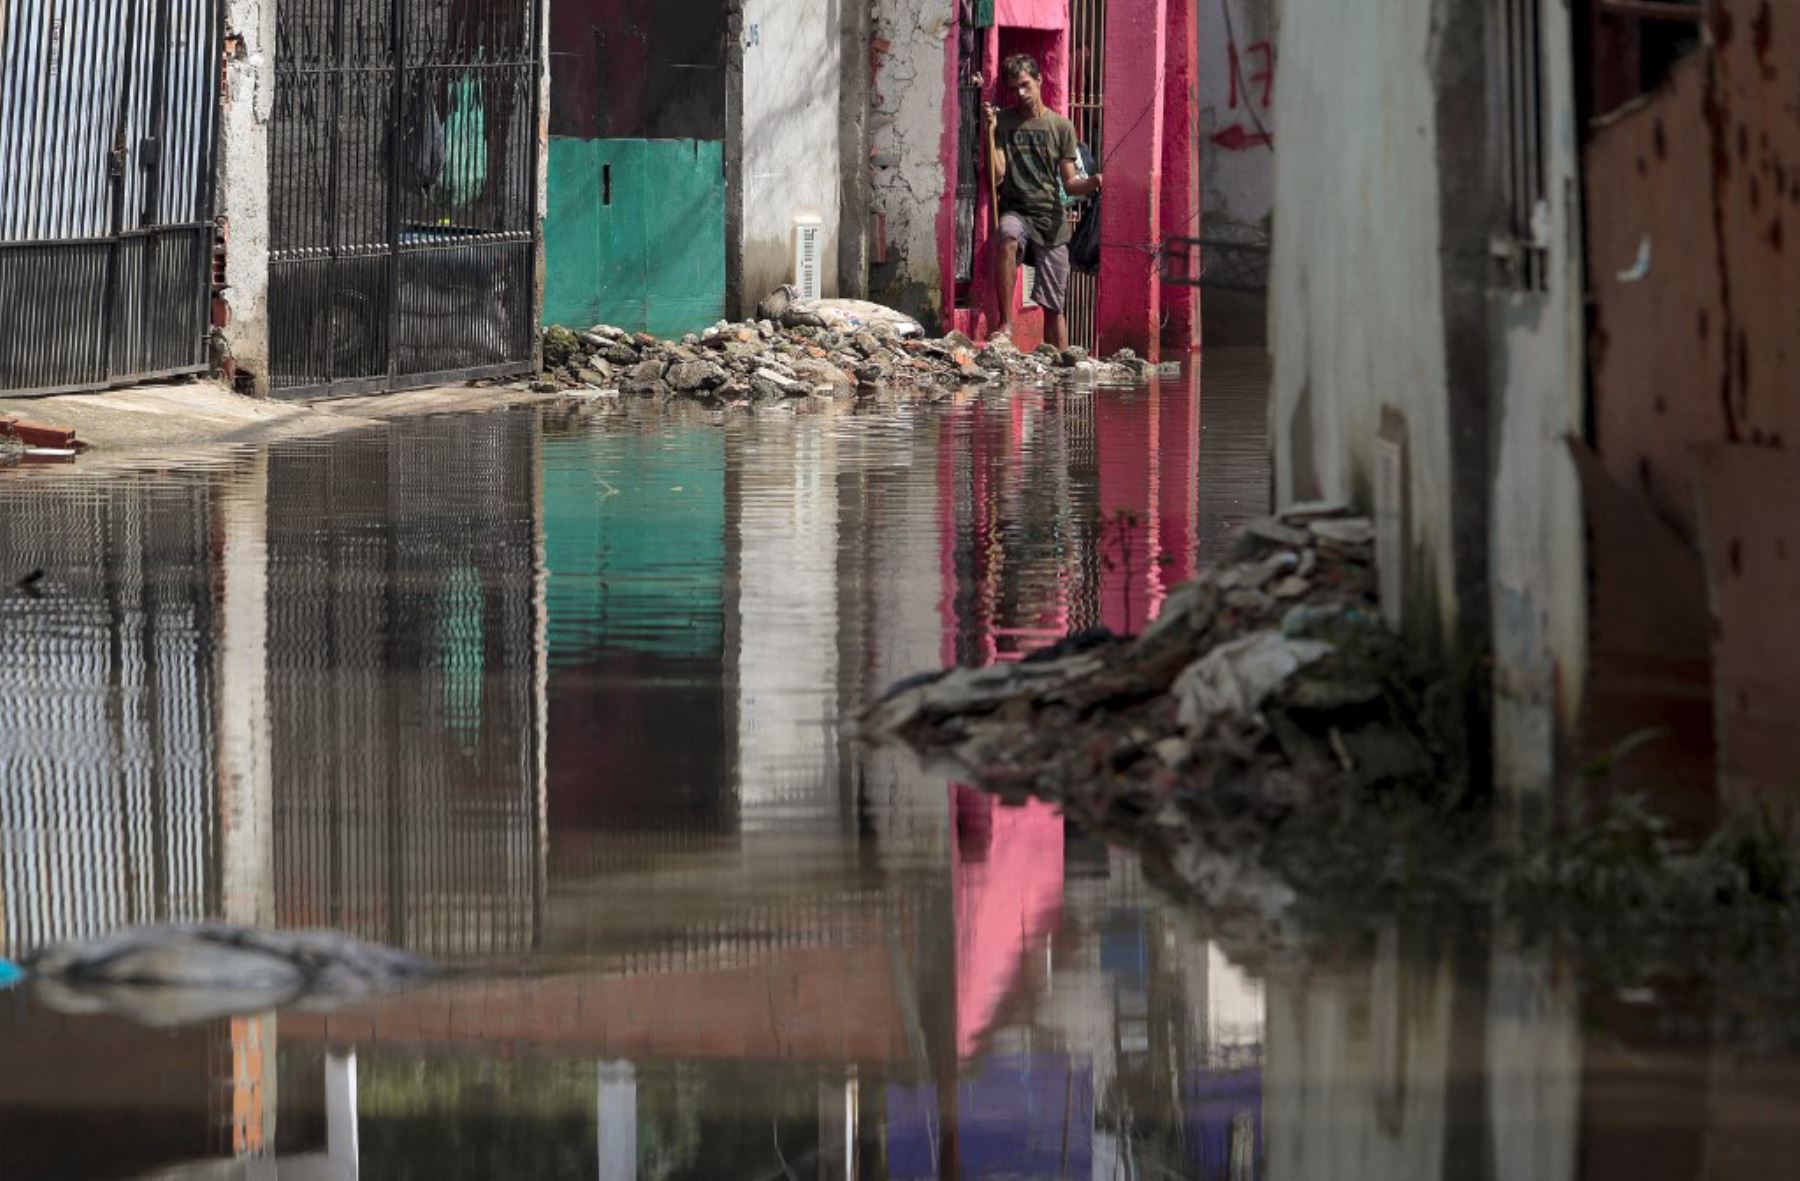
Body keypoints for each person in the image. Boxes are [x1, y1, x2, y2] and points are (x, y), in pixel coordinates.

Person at [983, 54, 1102, 350]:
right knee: (1007, 235)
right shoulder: (1004, 123)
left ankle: (1062, 368)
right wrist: (990, 131)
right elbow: (997, 175)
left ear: (1039, 82)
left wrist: (1091, 183)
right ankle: (1005, 323)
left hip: (1051, 220)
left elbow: (1070, 182)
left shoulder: (1061, 127)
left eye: (1025, 85)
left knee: (1054, 309)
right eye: (1014, 89)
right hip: (1017, 211)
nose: (1021, 94)